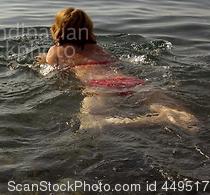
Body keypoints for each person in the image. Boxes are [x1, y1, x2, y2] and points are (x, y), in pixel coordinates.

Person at [35, 7, 198, 131]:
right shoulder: (98, 48)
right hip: (130, 82)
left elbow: (51, 70)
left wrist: (43, 61)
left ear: (57, 29)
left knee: (90, 124)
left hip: (101, 87)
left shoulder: (56, 50)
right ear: (88, 29)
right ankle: (166, 116)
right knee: (183, 116)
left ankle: (136, 122)